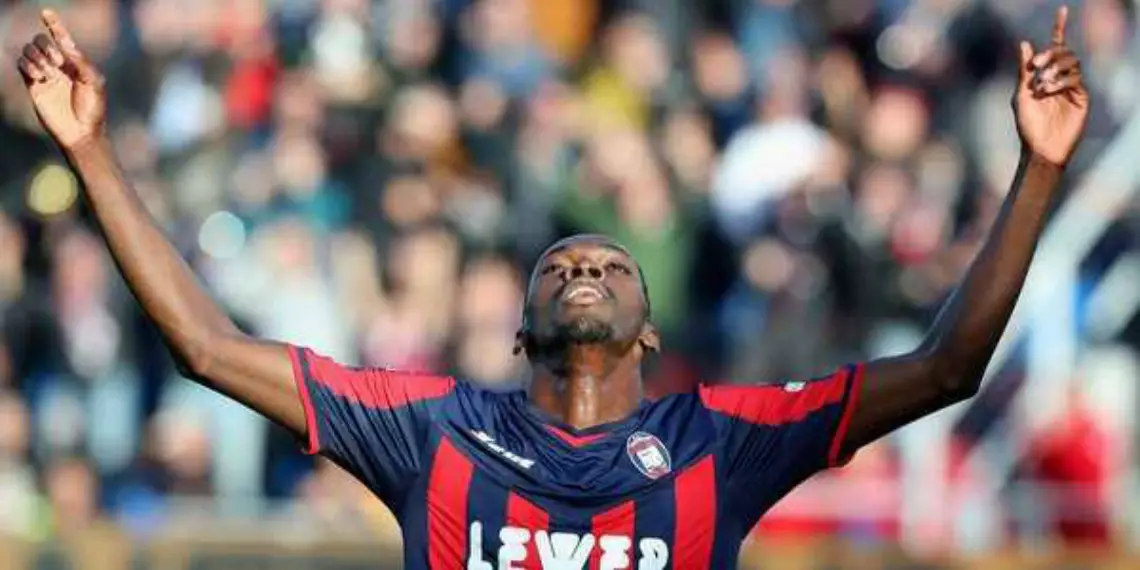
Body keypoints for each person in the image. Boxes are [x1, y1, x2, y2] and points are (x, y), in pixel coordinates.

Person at [14, 7, 1088, 569]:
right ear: (521, 331)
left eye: (611, 266)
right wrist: (93, 151)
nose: (584, 269)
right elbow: (206, 347)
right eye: (561, 267)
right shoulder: (432, 430)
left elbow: (947, 368)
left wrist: (1039, 171)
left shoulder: (722, 440)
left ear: (650, 330)